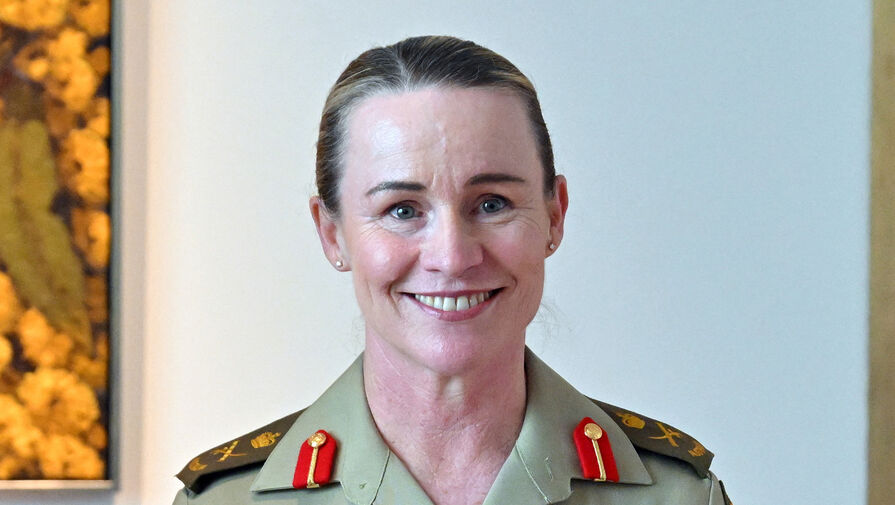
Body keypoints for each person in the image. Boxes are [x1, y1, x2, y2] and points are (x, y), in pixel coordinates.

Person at [172, 35, 733, 505]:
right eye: (402, 210)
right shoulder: (224, 501)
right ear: (332, 234)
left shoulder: (680, 496)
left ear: (555, 215)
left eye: (491, 203)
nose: (453, 256)